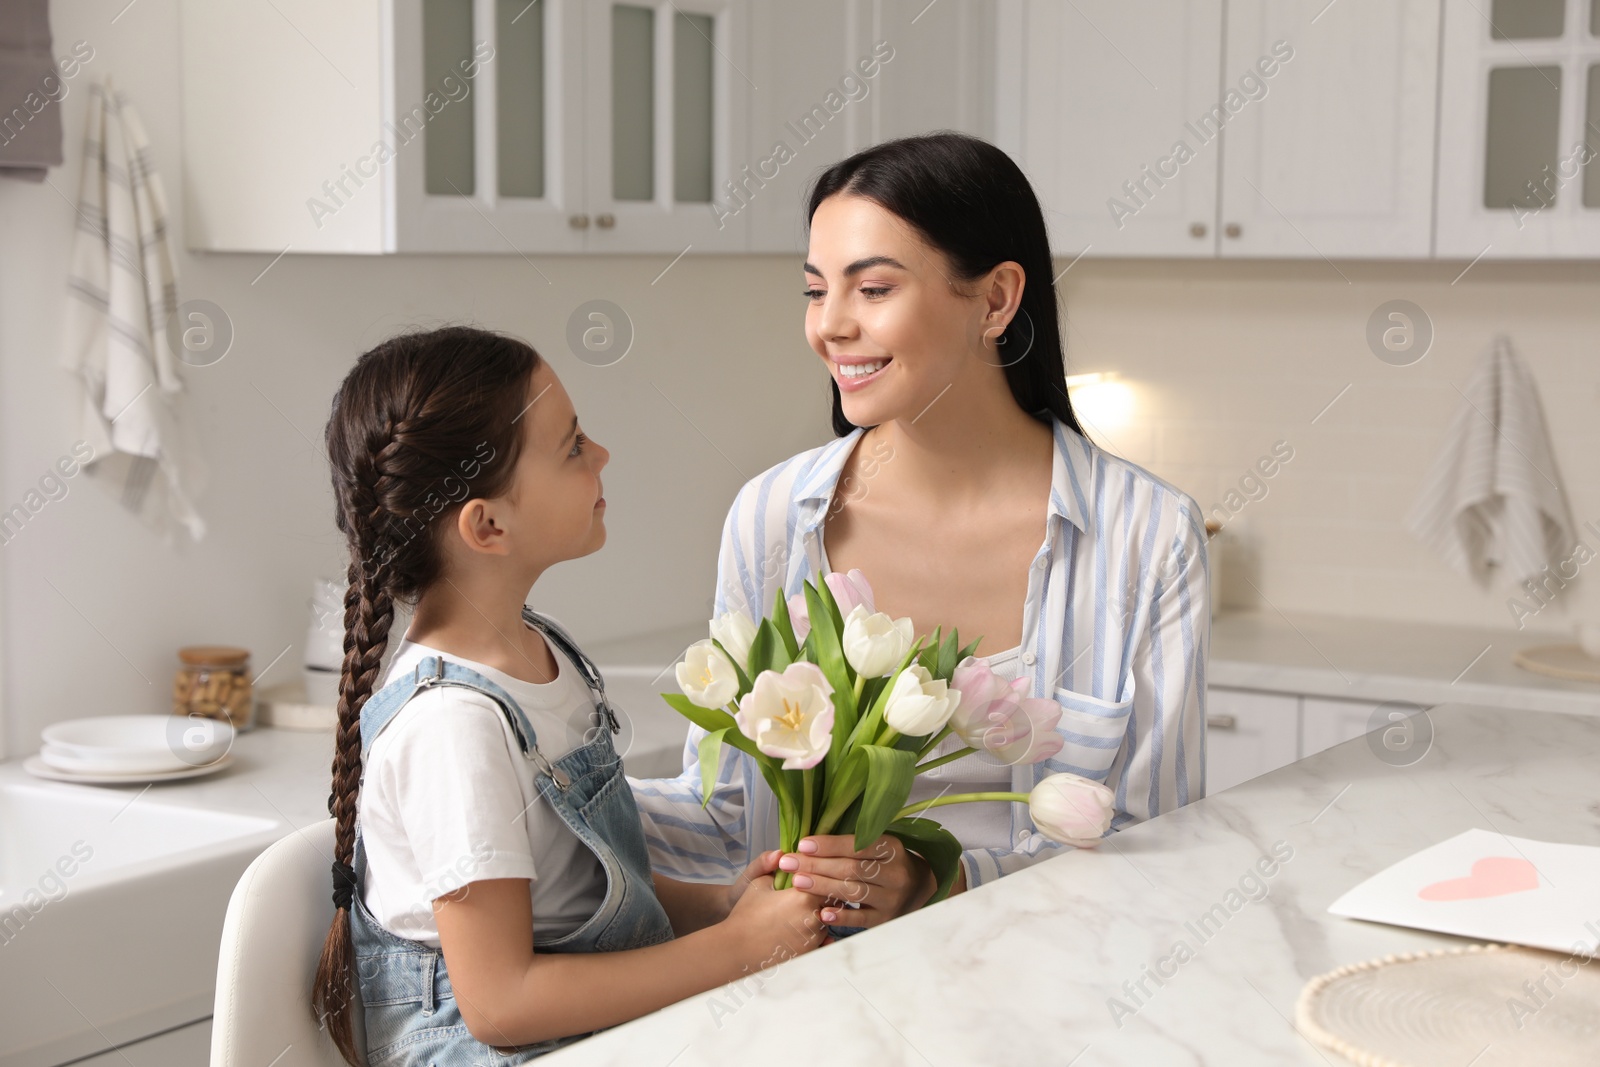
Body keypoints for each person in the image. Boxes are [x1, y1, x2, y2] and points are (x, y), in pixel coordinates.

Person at [632, 131, 1210, 930]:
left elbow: (1163, 843)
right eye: (814, 290)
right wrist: (539, 784)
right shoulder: (771, 517)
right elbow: (732, 810)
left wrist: (944, 881)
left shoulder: (1148, 534)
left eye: (871, 289)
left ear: (997, 300)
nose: (829, 326)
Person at [310, 326, 824, 1065]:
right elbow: (500, 1003)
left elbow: (584, 890)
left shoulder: (540, 652)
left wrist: (720, 907)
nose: (603, 455)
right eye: (574, 445)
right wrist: (735, 950)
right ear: (488, 524)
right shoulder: (454, 727)